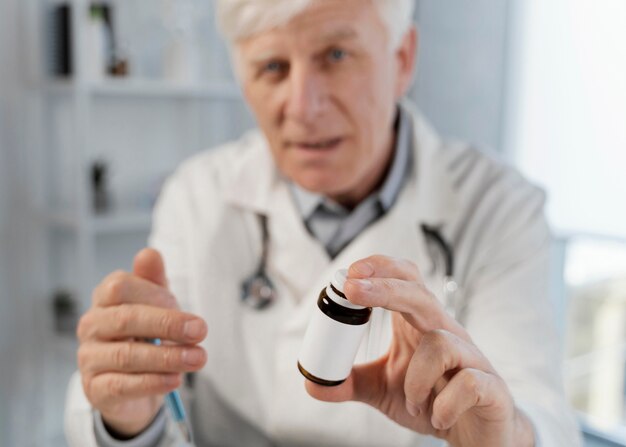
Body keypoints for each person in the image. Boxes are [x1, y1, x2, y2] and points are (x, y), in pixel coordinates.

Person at [65, 1, 582, 446]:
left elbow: (542, 415)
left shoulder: (498, 207)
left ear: (402, 60)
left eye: (336, 56)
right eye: (271, 67)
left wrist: (502, 434)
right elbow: (147, 399)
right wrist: (128, 416)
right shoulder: (197, 196)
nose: (303, 107)